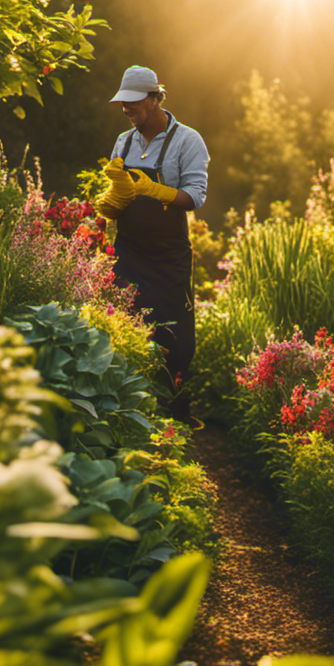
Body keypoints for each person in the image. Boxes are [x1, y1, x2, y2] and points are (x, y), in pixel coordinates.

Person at [95, 65, 209, 421]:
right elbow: (121, 195)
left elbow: (195, 197)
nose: (125, 108)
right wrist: (111, 200)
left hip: (168, 255)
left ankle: (175, 410)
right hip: (129, 251)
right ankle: (136, 408)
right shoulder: (123, 141)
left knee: (174, 335)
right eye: (122, 102)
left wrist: (155, 189)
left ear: (155, 98)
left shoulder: (188, 140)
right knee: (129, 326)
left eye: (133, 101)